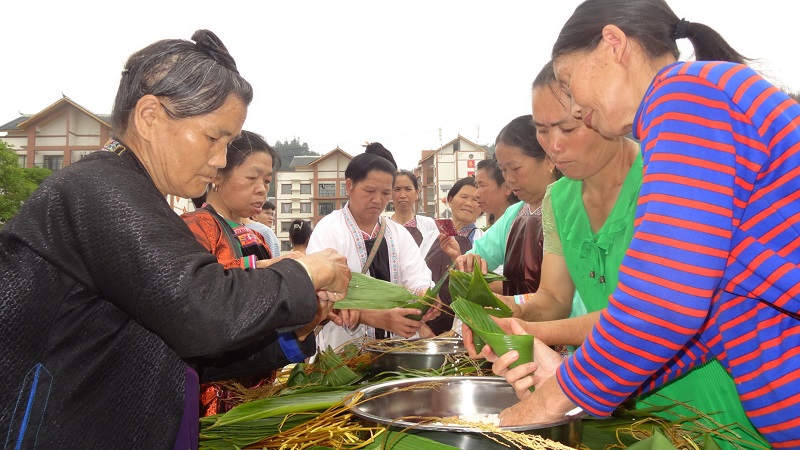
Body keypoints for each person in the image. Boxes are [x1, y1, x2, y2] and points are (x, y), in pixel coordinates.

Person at [0, 30, 350, 449]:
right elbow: (203, 309)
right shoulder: (97, 188)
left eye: (228, 143)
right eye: (213, 138)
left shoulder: (138, 195)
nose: (220, 159)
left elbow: (185, 350)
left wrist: (293, 333)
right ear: (150, 117)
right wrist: (304, 270)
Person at [479, 1, 800, 446]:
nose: (578, 107)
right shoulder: (699, 99)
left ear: (614, 44)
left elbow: (665, 302)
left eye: (570, 82)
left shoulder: (685, 95)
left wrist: (545, 405)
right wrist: (567, 378)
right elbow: (701, 322)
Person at [181, 131, 323, 416]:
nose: (262, 189)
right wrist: (268, 268)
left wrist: (313, 313)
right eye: (252, 178)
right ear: (217, 175)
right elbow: (203, 293)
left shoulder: (255, 238)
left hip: (256, 395)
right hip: (209, 407)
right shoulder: (194, 227)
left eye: (267, 181)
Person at [306, 144, 439, 351]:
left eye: (386, 193)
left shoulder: (398, 234)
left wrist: (426, 296)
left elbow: (417, 276)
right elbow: (320, 293)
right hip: (343, 351)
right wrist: (379, 318)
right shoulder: (329, 230)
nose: (378, 200)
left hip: (397, 351)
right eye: (369, 191)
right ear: (349, 186)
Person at [452, 116, 560, 298]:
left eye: (515, 168)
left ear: (549, 159)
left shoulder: (571, 208)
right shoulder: (514, 214)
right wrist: (468, 261)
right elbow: (476, 257)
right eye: (503, 170)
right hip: (520, 322)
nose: (509, 179)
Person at [424, 176, 484, 334]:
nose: (469, 203)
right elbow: (416, 274)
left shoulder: (482, 239)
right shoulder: (430, 236)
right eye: (463, 197)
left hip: (462, 326)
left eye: (476, 199)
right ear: (450, 199)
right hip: (425, 322)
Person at [390, 169, 439, 257]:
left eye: (408, 189)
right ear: (390, 193)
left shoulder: (429, 224)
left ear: (416, 193)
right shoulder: (383, 226)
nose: (402, 195)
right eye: (397, 189)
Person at [474, 157, 518, 228]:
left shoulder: (519, 225)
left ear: (507, 188)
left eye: (482, 186)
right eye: (476, 187)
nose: (476, 194)